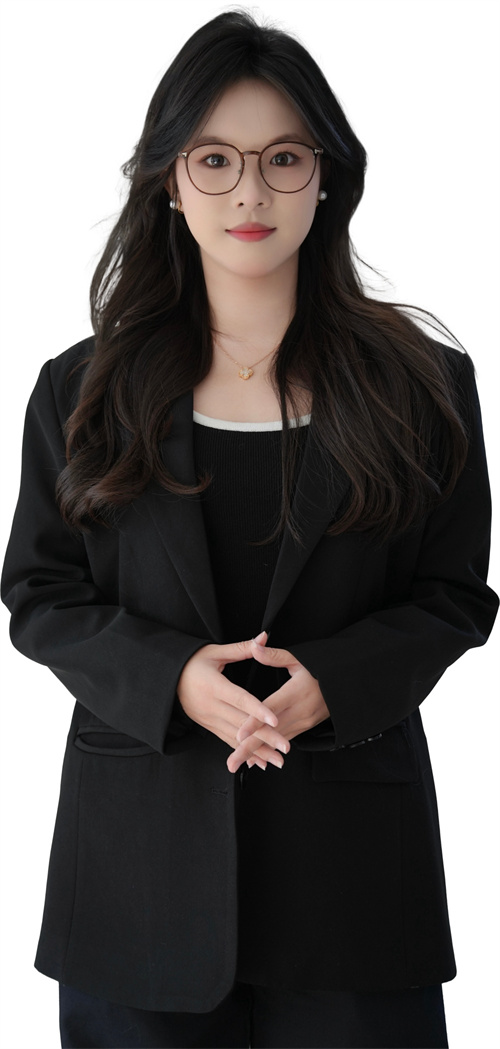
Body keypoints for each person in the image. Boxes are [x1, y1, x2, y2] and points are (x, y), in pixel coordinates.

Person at [1, 9, 498, 1049]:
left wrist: (339, 681)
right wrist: (172, 678)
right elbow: (41, 593)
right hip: (136, 881)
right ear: (169, 182)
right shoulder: (81, 391)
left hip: (354, 885)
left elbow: (454, 593)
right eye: (215, 159)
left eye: (282, 158)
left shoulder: (424, 386)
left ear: (327, 176)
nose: (249, 192)